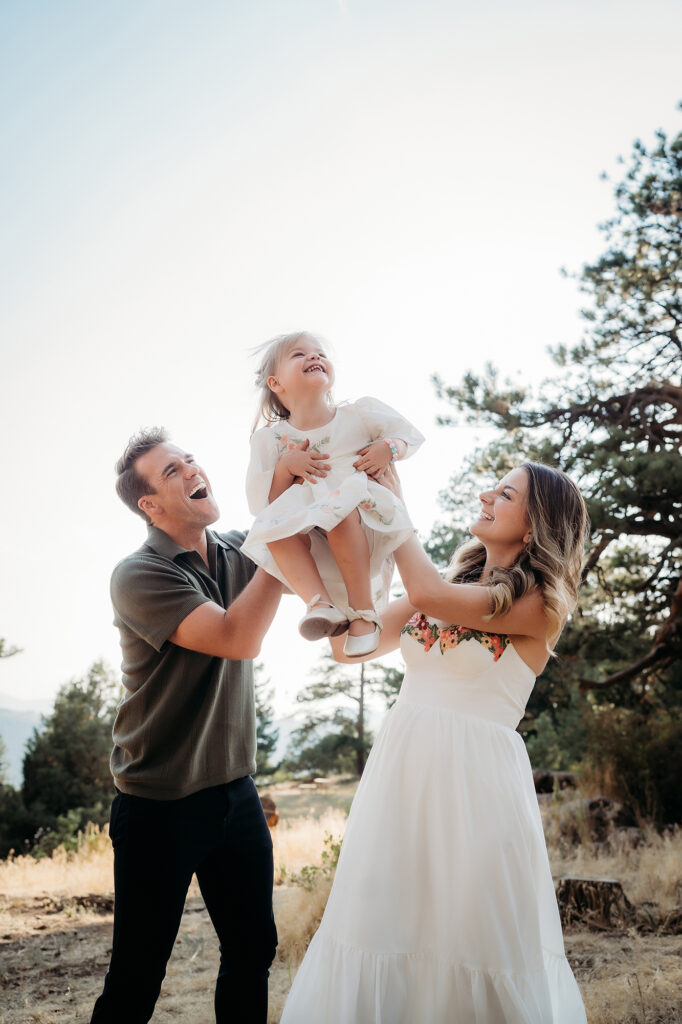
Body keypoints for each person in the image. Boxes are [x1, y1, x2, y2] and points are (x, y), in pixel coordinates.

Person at [281, 461, 590, 1023]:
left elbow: (423, 589)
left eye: (505, 493)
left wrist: (393, 504)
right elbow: (352, 648)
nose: (486, 495)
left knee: (467, 934)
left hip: (476, 786)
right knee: (384, 920)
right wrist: (336, 553)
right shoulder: (451, 589)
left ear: (533, 526)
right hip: (402, 777)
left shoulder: (541, 604)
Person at [90, 428, 283, 1024]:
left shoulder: (234, 550)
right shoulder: (139, 574)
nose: (192, 469)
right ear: (150, 505)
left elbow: (292, 521)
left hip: (234, 791)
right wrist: (278, 557)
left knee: (253, 950)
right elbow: (236, 637)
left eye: (189, 460)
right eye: (172, 471)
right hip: (158, 804)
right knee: (138, 978)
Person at [241, 331, 425, 657]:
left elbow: (408, 436)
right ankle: (319, 603)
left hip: (364, 519)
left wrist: (387, 449)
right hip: (314, 539)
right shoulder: (272, 441)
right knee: (273, 526)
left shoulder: (358, 415)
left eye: (319, 353)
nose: (314, 357)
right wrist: (286, 467)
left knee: (338, 509)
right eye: (299, 355)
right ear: (275, 383)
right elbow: (263, 505)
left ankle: (363, 613)